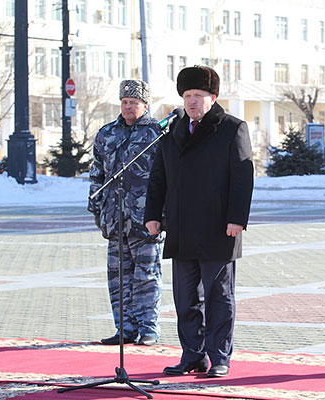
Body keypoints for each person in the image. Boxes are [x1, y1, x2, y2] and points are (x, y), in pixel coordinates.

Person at [145, 65, 254, 378]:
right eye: (187, 96)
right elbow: (158, 179)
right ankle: (192, 355)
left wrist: (237, 219)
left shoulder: (232, 128)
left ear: (213, 97)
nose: (192, 102)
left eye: (198, 95)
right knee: (186, 298)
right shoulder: (173, 132)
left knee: (219, 296)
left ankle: (219, 356)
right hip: (181, 228)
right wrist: (152, 215)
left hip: (219, 228)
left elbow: (243, 177)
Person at [88, 79, 164, 347]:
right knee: (118, 277)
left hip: (146, 218)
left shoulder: (157, 134)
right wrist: (96, 207)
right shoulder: (107, 134)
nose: (129, 107)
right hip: (114, 218)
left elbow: (165, 177)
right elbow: (97, 174)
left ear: (145, 105)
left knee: (146, 275)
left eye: (134, 103)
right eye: (124, 102)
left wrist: (162, 214)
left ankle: (148, 327)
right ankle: (124, 328)